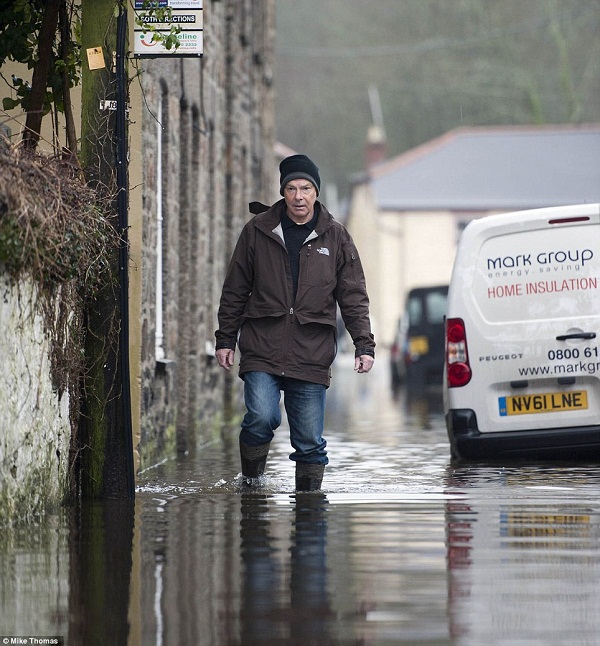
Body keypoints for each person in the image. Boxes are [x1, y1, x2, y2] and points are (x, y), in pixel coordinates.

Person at [215, 154, 375, 491]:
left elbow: (353, 295)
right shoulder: (257, 231)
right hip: (262, 345)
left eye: (305, 188)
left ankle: (309, 510)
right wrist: (225, 338)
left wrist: (364, 343)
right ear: (283, 192)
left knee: (309, 443)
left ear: (316, 192)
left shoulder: (336, 236)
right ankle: (252, 482)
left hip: (311, 351)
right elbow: (235, 289)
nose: (299, 196)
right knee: (261, 418)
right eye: (291, 188)